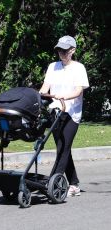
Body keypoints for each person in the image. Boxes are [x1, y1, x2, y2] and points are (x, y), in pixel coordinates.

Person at [39, 35, 89, 197]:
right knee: (62, 148)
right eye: (59, 50)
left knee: (64, 147)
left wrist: (64, 97)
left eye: (65, 50)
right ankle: (74, 184)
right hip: (56, 111)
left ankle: (53, 181)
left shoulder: (79, 68)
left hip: (71, 113)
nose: (61, 53)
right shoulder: (53, 66)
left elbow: (78, 90)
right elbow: (44, 88)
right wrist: (40, 95)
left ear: (72, 50)